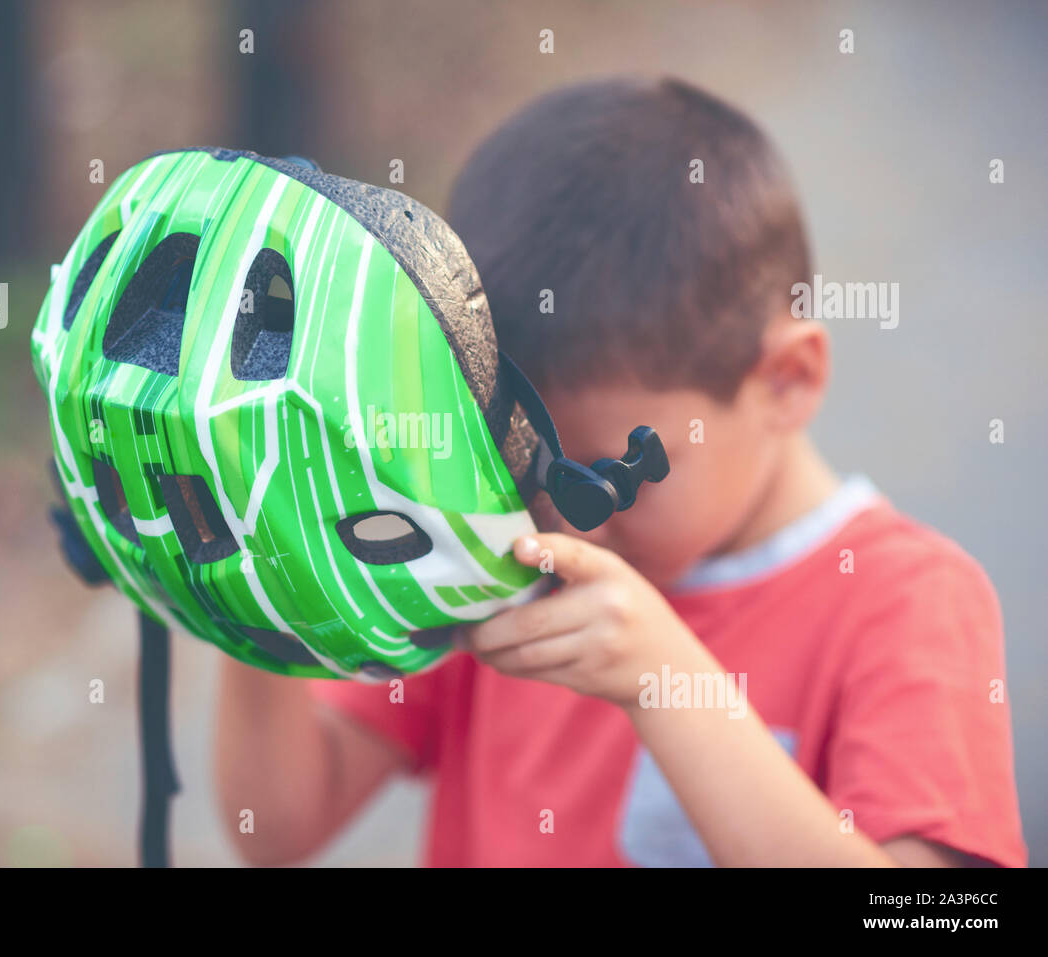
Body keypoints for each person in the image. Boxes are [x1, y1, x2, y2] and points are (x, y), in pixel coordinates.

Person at [214, 77, 1026, 867]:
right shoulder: (489, 547)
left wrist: (669, 685)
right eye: (519, 465)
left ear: (788, 379)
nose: (564, 526)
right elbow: (278, 827)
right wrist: (255, 570)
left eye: (603, 477)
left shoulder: (909, 604)